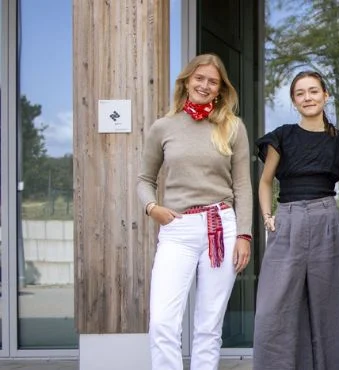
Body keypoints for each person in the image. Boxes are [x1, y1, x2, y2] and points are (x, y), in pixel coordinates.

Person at [137, 53, 253, 370]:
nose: (204, 85)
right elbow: (144, 179)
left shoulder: (233, 127)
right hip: (177, 229)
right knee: (162, 322)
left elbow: (243, 186)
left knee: (208, 325)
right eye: (199, 78)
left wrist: (244, 235)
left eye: (212, 81)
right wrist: (152, 208)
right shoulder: (163, 127)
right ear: (187, 81)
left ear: (220, 89)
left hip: (221, 228)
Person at [252, 71, 339, 369]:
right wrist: (267, 216)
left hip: (327, 219)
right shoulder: (282, 136)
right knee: (274, 307)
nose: (307, 97)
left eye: (313, 91)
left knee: (331, 305)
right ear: (293, 101)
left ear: (326, 95)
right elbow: (265, 182)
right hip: (287, 218)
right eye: (300, 93)